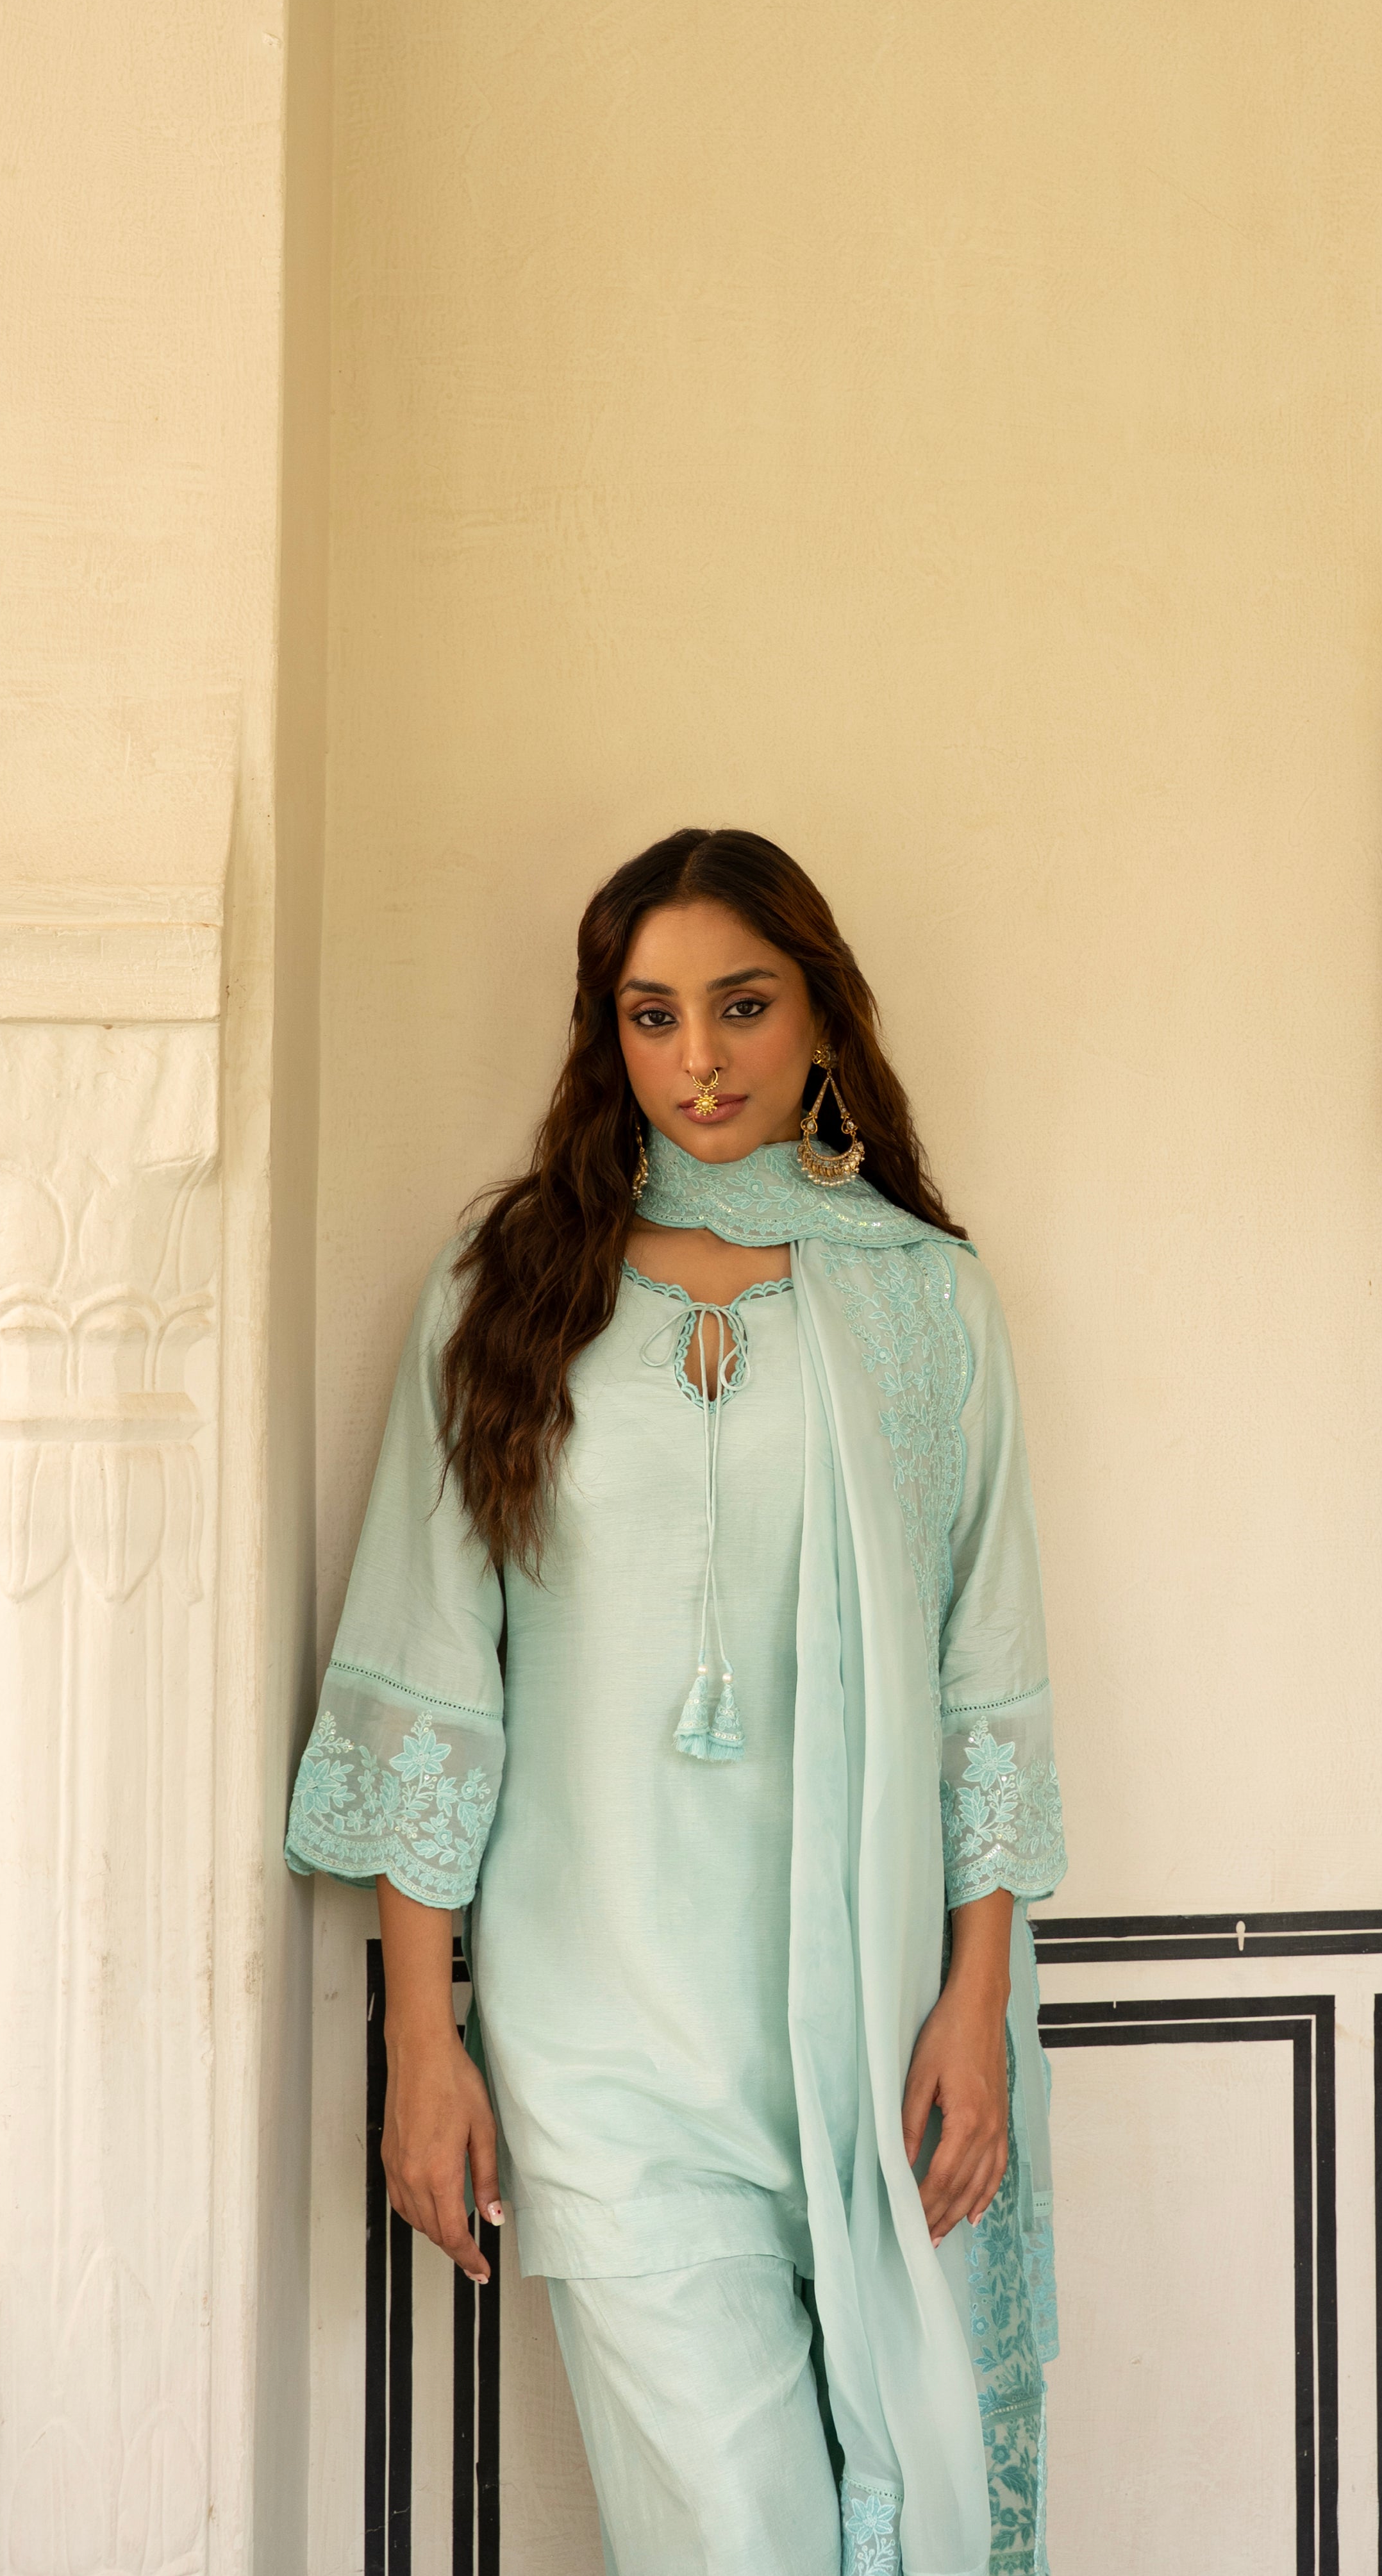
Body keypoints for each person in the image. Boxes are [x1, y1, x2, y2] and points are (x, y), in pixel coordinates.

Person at [286, 827, 1066, 2576]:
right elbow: (431, 1675)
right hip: (601, 2037)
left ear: (823, 1018)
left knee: (897, 2502)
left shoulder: (922, 1303)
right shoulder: (511, 1294)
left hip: (869, 2034)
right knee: (741, 2538)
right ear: (608, 1033)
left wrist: (973, 2006)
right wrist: (423, 2046)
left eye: (742, 1006)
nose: (698, 1060)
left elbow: (987, 1675)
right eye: (653, 1016)